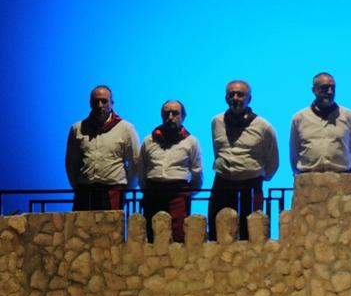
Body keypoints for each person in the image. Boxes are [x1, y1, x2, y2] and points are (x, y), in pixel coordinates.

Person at [209, 80, 279, 241]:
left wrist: (257, 174)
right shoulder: (216, 122)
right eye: (231, 94)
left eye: (240, 94)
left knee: (251, 235)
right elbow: (217, 151)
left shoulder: (264, 127)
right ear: (226, 98)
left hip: (251, 185)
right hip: (222, 183)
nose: (235, 98)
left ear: (249, 99)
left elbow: (273, 160)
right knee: (217, 234)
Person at [65, 85, 139, 211]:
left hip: (113, 193)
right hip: (85, 192)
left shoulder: (125, 128)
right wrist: (77, 187)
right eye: (96, 101)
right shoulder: (77, 128)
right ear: (90, 104)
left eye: (104, 101)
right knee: (81, 230)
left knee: (112, 230)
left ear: (112, 103)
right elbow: (71, 162)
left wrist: (126, 191)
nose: (100, 105)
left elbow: (136, 162)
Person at [138, 100, 202, 242]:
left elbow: (197, 172)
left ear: (183, 116)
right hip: (153, 193)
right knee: (152, 235)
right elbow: (141, 169)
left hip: (178, 194)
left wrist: (187, 192)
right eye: (167, 114)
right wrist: (147, 189)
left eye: (175, 113)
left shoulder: (191, 141)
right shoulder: (149, 140)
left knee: (179, 235)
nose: (170, 117)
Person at [290, 72, 351, 175]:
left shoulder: (348, 116)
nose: (330, 91)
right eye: (325, 88)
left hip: (342, 178)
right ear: (314, 90)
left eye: (333, 88)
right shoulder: (299, 118)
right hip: (309, 179)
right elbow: (294, 152)